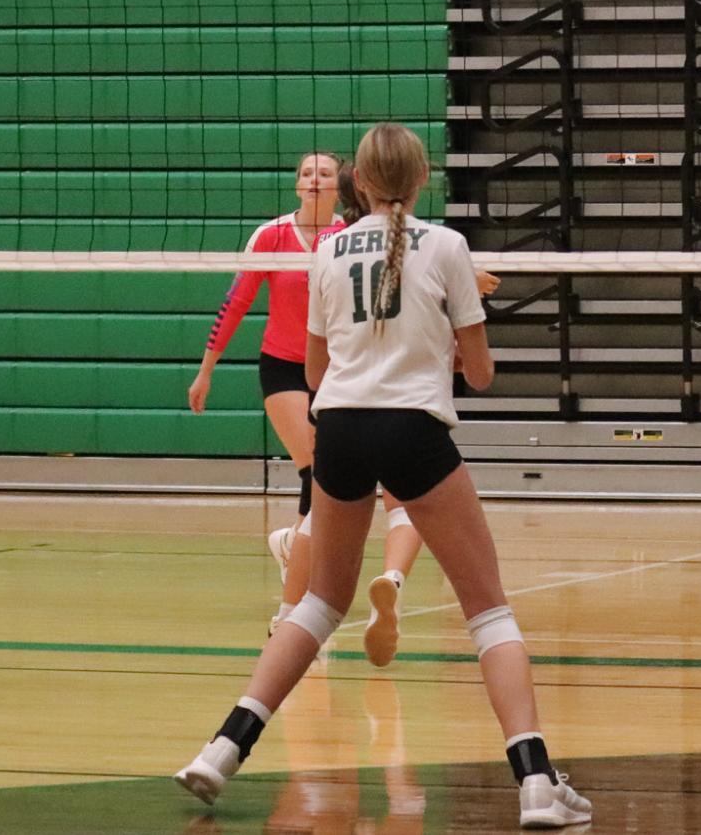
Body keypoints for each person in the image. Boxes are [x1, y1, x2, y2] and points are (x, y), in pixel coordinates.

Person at [175, 123, 590, 828]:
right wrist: (439, 356)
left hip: (336, 428)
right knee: (488, 611)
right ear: (422, 179)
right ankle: (534, 785)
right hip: (411, 430)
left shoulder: (328, 249)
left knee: (315, 605)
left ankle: (220, 749)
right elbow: (482, 373)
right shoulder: (449, 247)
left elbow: (311, 374)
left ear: (356, 184)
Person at [187, 152, 431, 659]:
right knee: (316, 477)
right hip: (285, 370)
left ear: (341, 184)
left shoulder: (348, 237)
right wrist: (207, 368)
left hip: (339, 371)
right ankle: (293, 616)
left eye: (324, 172)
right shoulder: (271, 236)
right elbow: (234, 302)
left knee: (337, 488)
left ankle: (291, 552)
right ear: (297, 185)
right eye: (306, 173)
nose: (314, 179)